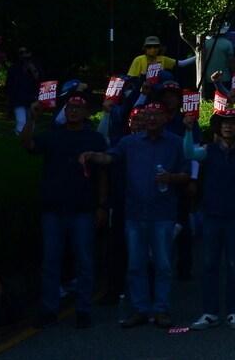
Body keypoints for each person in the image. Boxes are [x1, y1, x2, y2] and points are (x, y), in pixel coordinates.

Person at [79, 100, 189, 329]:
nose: (151, 118)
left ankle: (161, 309)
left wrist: (171, 178)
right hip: (135, 213)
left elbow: (187, 175)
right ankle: (140, 309)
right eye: (147, 114)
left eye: (156, 114)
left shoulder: (176, 143)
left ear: (166, 118)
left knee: (163, 265)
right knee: (135, 265)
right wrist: (93, 155)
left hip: (163, 213)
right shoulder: (129, 142)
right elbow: (110, 157)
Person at [20, 82, 106, 328]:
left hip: (83, 209)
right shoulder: (53, 134)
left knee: (85, 260)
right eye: (70, 107)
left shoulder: (95, 138)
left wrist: (102, 205)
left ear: (87, 112)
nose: (74, 110)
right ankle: (49, 308)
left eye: (79, 107)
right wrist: (31, 118)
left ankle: (83, 309)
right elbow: (28, 145)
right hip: (53, 209)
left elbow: (102, 175)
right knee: (51, 260)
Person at [181, 105, 235, 331]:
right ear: (218, 127)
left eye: (232, 122)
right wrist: (187, 130)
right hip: (212, 216)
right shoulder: (209, 150)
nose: (227, 126)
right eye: (223, 122)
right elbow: (188, 153)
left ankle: (234, 312)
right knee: (209, 266)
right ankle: (209, 312)